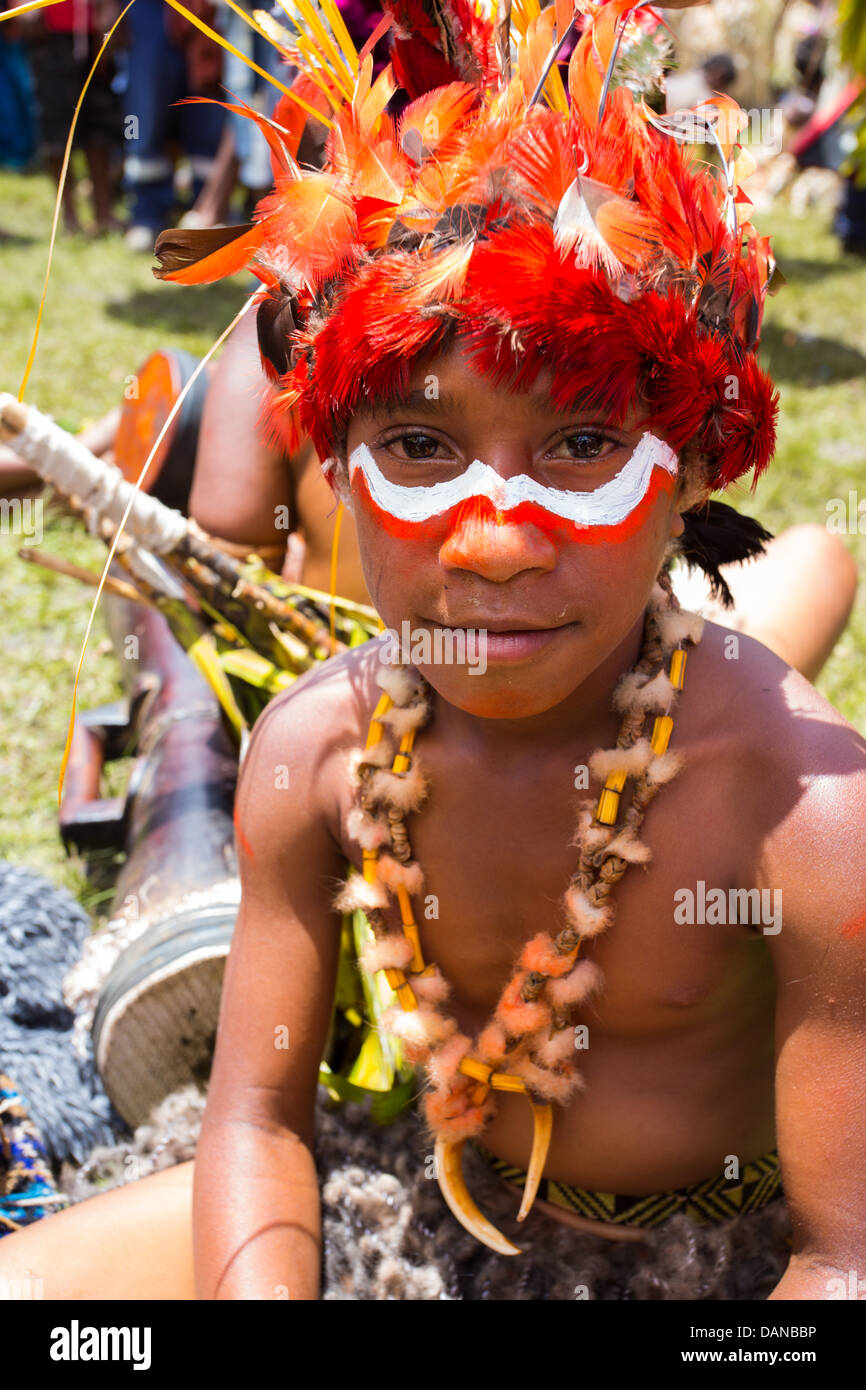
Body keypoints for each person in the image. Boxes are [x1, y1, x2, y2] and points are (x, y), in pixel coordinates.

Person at [2, 0, 865, 1302]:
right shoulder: (315, 752)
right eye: (420, 447)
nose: (499, 540)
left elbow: (840, 1252)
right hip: (422, 1203)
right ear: (337, 462)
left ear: (687, 470)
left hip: (718, 1269)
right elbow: (258, 1124)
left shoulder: (800, 808)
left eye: (581, 446)